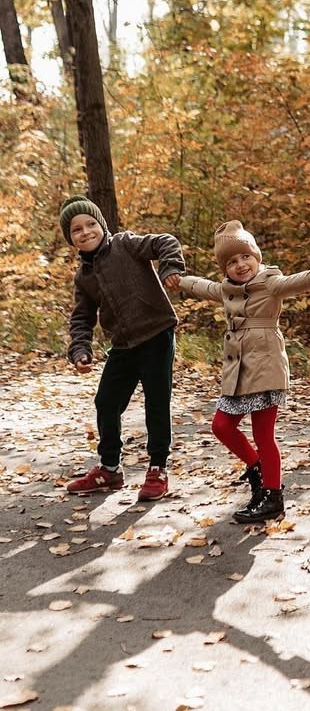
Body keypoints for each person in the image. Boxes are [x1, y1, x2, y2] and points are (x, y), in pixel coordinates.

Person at [176, 221, 310, 524]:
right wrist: (179, 281)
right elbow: (202, 287)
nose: (240, 265)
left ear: (256, 256)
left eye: (245, 256)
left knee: (263, 434)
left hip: (266, 367)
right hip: (237, 370)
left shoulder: (270, 283)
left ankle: (273, 497)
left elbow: (300, 281)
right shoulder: (226, 290)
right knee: (221, 426)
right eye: (231, 261)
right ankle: (258, 467)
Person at [60, 196, 186, 502]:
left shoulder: (126, 244)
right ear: (71, 239)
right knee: (106, 402)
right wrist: (80, 349)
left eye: (91, 224)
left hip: (156, 334)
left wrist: (170, 267)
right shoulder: (84, 276)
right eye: (77, 229)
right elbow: (82, 317)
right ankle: (110, 469)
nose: (86, 232)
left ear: (102, 225)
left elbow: (164, 241)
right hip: (123, 345)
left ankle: (158, 468)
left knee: (156, 403)